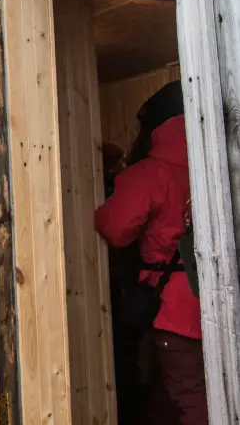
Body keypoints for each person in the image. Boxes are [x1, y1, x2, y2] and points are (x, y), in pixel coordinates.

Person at [95, 81, 207, 424]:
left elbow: (114, 229)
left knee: (192, 401)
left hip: (173, 308)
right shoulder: (211, 164)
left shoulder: (149, 173)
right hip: (212, 299)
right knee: (171, 389)